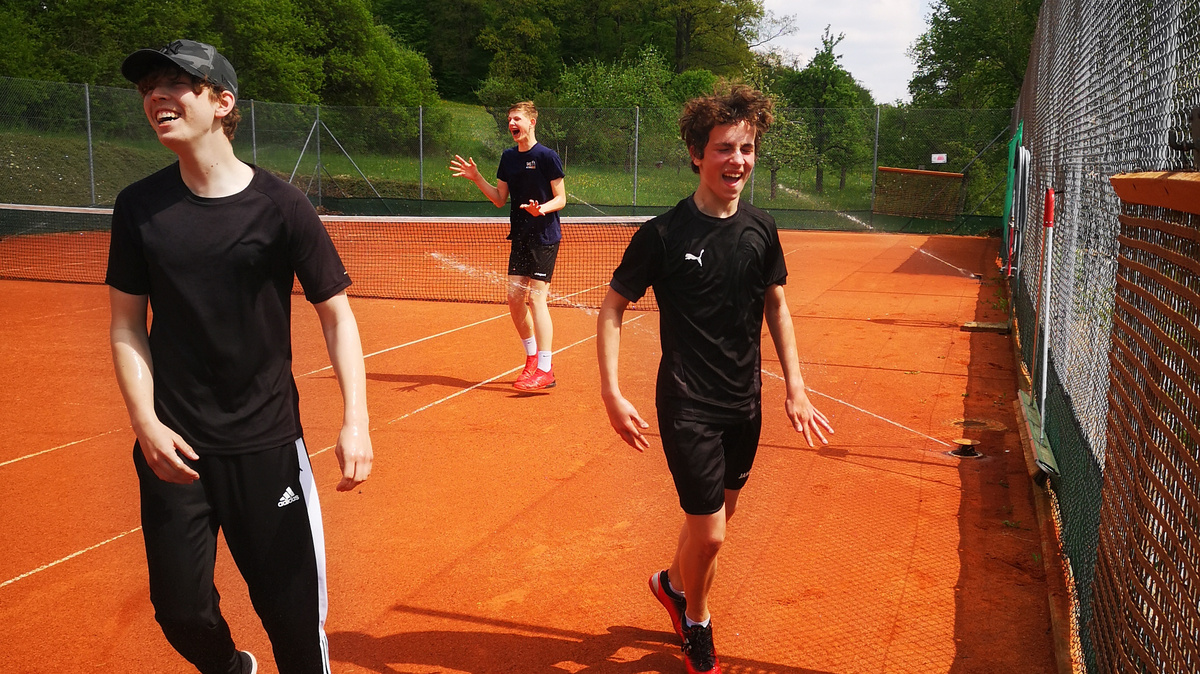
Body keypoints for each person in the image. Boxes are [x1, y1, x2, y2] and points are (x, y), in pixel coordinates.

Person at [107, 39, 373, 674]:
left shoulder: (281, 206)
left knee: (294, 626)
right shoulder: (138, 207)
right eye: (148, 87)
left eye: (177, 83)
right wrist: (146, 424)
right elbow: (126, 323)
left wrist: (356, 419)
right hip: (175, 446)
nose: (156, 96)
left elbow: (337, 315)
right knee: (181, 612)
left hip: (267, 445)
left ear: (222, 103)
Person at [596, 86, 834, 674]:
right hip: (687, 404)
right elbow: (612, 306)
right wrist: (612, 392)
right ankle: (696, 621)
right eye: (725, 148)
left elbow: (776, 306)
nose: (738, 161)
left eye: (747, 149)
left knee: (712, 523)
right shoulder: (663, 234)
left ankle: (671, 585)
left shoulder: (762, 228)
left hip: (743, 403)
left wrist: (796, 387)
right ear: (697, 154)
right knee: (712, 536)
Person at [449, 102, 566, 391]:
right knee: (514, 299)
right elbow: (500, 199)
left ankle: (546, 369)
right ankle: (531, 359)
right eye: (509, 119)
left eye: (517, 118)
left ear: (532, 122)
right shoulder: (508, 157)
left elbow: (561, 198)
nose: (512, 123)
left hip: (544, 236)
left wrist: (542, 209)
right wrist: (477, 178)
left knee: (536, 299)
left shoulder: (547, 156)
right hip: (520, 236)